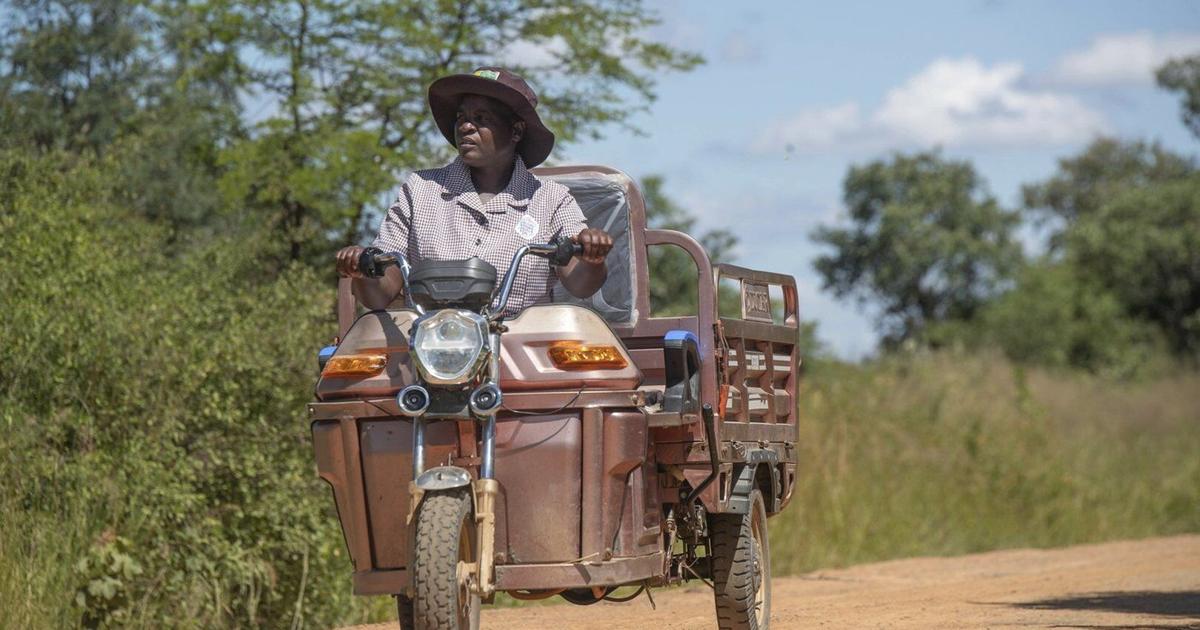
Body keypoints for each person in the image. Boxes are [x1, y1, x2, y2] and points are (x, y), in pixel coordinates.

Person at [335, 67, 613, 314]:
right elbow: (382, 291)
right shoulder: (420, 190)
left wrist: (592, 258)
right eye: (461, 117)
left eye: (481, 118)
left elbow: (580, 284)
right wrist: (362, 270)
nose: (466, 126)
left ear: (515, 131)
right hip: (428, 343)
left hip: (518, 343)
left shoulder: (551, 199)